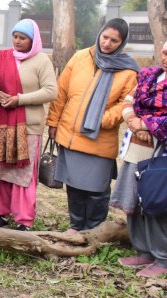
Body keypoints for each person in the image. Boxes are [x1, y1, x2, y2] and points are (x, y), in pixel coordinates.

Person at [46, 18, 138, 232]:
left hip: (99, 139)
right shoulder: (80, 57)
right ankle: (76, 226)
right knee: (74, 186)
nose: (107, 44)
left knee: (97, 189)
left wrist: (99, 120)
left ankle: (95, 230)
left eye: (114, 41)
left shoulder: (128, 72)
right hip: (69, 134)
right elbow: (61, 93)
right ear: (99, 34)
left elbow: (125, 105)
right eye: (105, 37)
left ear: (122, 43)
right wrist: (53, 122)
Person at [0, 19, 57, 230]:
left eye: (23, 38)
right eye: (15, 37)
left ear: (33, 40)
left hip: (29, 125)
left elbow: (51, 91)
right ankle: (0, 213)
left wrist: (20, 99)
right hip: (1, 122)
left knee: (23, 173)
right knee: (0, 169)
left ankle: (23, 219)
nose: (17, 41)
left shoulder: (41, 60)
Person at [110, 42, 167, 278]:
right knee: (133, 199)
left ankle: (162, 258)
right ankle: (143, 250)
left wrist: (146, 124)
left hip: (160, 154)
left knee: (156, 202)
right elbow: (128, 102)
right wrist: (134, 121)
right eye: (164, 51)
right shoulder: (149, 76)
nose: (165, 56)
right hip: (137, 148)